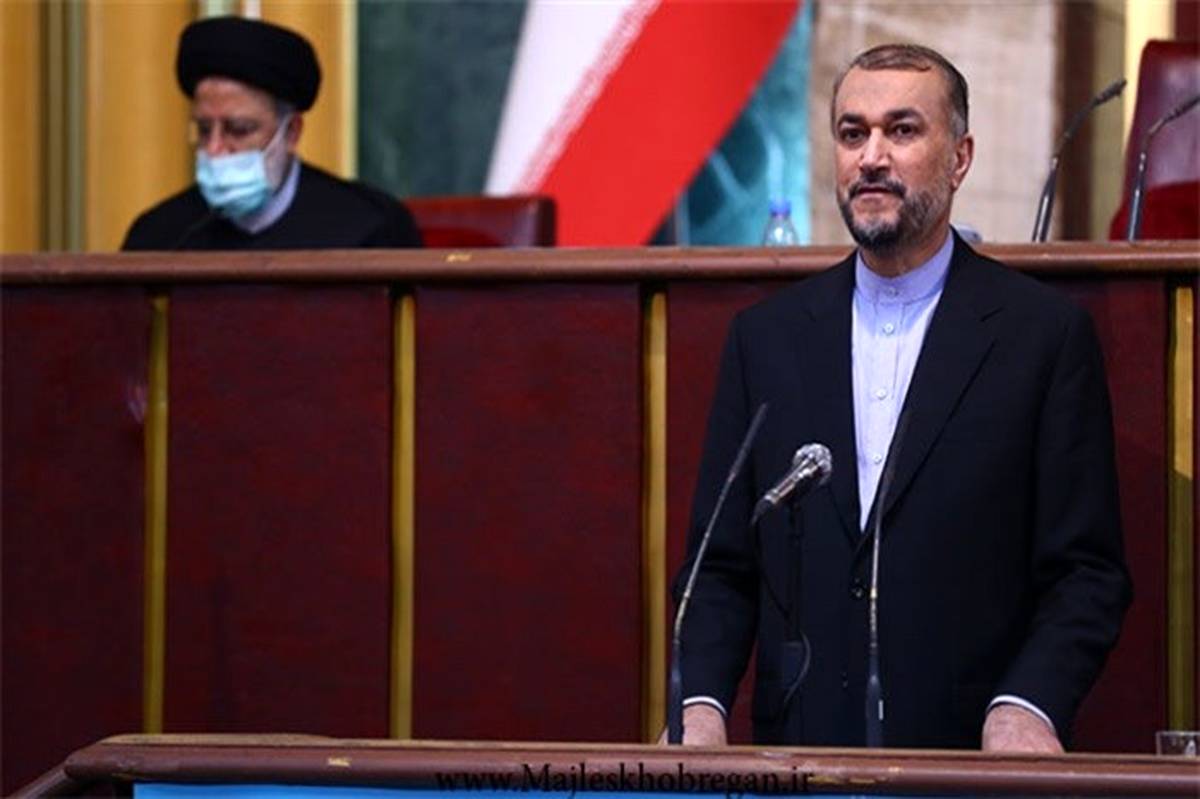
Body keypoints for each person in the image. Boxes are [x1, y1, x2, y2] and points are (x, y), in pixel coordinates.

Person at [673, 44, 1130, 752]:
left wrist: (1026, 706)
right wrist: (699, 709)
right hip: (800, 758)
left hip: (967, 759)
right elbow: (719, 566)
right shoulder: (766, 340)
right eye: (852, 133)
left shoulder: (1041, 336)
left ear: (959, 159)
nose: (871, 157)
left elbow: (1086, 572)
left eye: (903, 130)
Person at [123, 16, 422, 251]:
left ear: (291, 132)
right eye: (203, 130)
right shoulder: (160, 236)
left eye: (238, 130)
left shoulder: (370, 227)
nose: (214, 149)